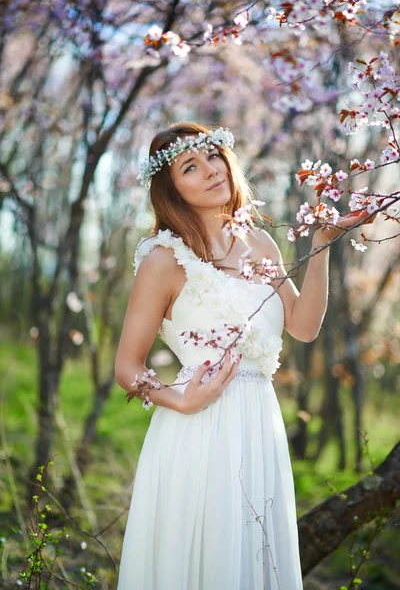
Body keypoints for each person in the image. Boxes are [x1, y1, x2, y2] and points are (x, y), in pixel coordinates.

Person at [115, 122, 371, 589]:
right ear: (171, 189)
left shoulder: (260, 243)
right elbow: (127, 367)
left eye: (214, 155)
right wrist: (181, 400)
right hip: (195, 427)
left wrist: (321, 245)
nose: (211, 169)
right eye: (191, 166)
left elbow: (303, 326)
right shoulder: (162, 259)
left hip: (259, 426)